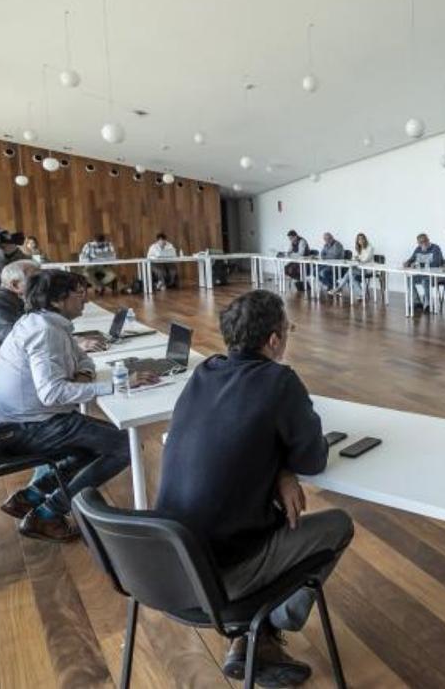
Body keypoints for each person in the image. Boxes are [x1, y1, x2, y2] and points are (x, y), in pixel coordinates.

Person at [156, 290, 353, 685]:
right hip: (221, 576)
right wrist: (289, 466)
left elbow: (236, 435)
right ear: (275, 340)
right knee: (338, 525)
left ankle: (257, 636)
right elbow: (314, 459)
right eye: (288, 329)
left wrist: (280, 470)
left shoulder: (205, 371)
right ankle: (266, 625)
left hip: (165, 564)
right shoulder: (279, 381)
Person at [0, 270, 158, 541]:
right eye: (79, 293)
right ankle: (48, 514)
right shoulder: (46, 332)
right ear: (58, 300)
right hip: (29, 426)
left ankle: (32, 495)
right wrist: (118, 384)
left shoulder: (45, 323)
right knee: (126, 446)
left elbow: (85, 361)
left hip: (26, 420)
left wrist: (81, 377)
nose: (85, 298)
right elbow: (52, 392)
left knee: (101, 442)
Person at [402, 233, 443, 312]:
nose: (423, 243)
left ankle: (428, 304)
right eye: (421, 242)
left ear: (428, 240)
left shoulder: (435, 248)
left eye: (425, 241)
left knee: (425, 281)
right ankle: (417, 302)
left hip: (435, 276)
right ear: (418, 243)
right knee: (409, 280)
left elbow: (436, 263)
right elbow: (412, 259)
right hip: (422, 275)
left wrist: (419, 264)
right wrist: (407, 263)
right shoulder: (418, 249)